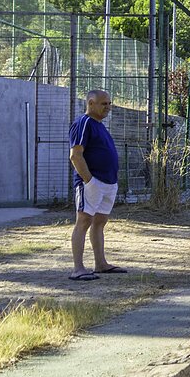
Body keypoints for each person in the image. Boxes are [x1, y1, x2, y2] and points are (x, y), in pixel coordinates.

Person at [67, 89, 124, 280]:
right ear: (91, 103)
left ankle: (101, 264)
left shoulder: (100, 125)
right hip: (92, 183)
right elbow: (76, 155)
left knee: (99, 222)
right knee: (84, 221)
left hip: (108, 182)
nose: (108, 107)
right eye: (104, 104)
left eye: (109, 104)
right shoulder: (83, 123)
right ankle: (78, 269)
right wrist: (89, 181)